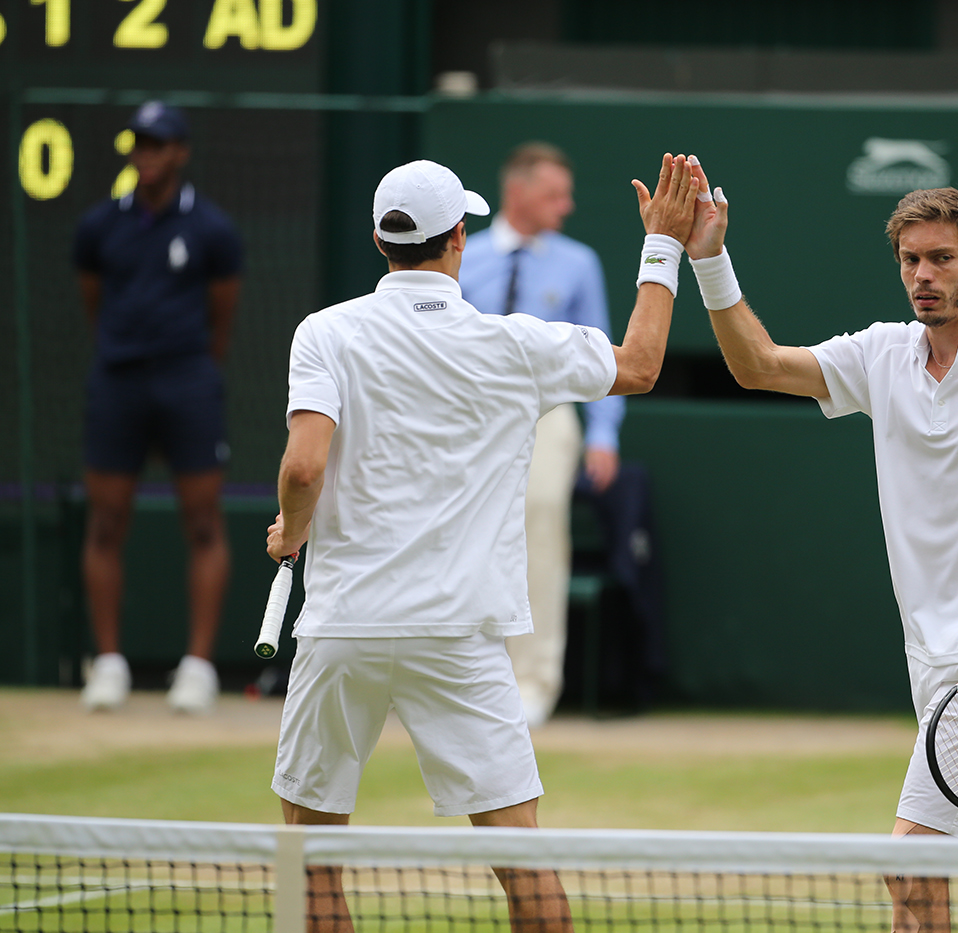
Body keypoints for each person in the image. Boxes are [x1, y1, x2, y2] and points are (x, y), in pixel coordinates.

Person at [682, 162, 958, 933]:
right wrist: (707, 258)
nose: (922, 276)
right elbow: (755, 364)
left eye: (941, 259)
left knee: (909, 865)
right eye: (910, 261)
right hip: (931, 658)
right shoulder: (880, 354)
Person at [265, 155, 697, 933]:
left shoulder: (322, 333)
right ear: (459, 238)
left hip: (342, 628)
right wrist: (662, 245)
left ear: (379, 239)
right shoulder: (515, 344)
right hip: (459, 635)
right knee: (522, 862)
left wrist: (291, 532)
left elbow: (303, 466)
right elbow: (640, 365)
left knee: (309, 858)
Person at [71, 100, 242, 714]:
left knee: (201, 521)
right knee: (107, 520)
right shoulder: (99, 226)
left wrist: (191, 365)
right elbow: (94, 299)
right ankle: (110, 664)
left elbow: (222, 314)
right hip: (118, 381)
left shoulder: (212, 230)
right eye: (139, 143)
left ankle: (196, 668)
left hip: (188, 382)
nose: (146, 154)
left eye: (158, 143)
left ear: (180, 152)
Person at [457, 142, 623, 728]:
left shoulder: (577, 263)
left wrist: (604, 433)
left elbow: (605, 354)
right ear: (517, 193)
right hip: (467, 415)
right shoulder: (464, 257)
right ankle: (464, 676)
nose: (567, 205)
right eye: (554, 193)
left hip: (548, 410)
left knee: (539, 522)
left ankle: (533, 681)